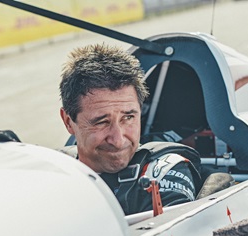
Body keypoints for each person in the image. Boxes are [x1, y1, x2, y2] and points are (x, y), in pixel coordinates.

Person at [59, 43, 203, 215]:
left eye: (128, 118)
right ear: (68, 122)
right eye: (101, 122)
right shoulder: (50, 172)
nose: (118, 140)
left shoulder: (162, 172)